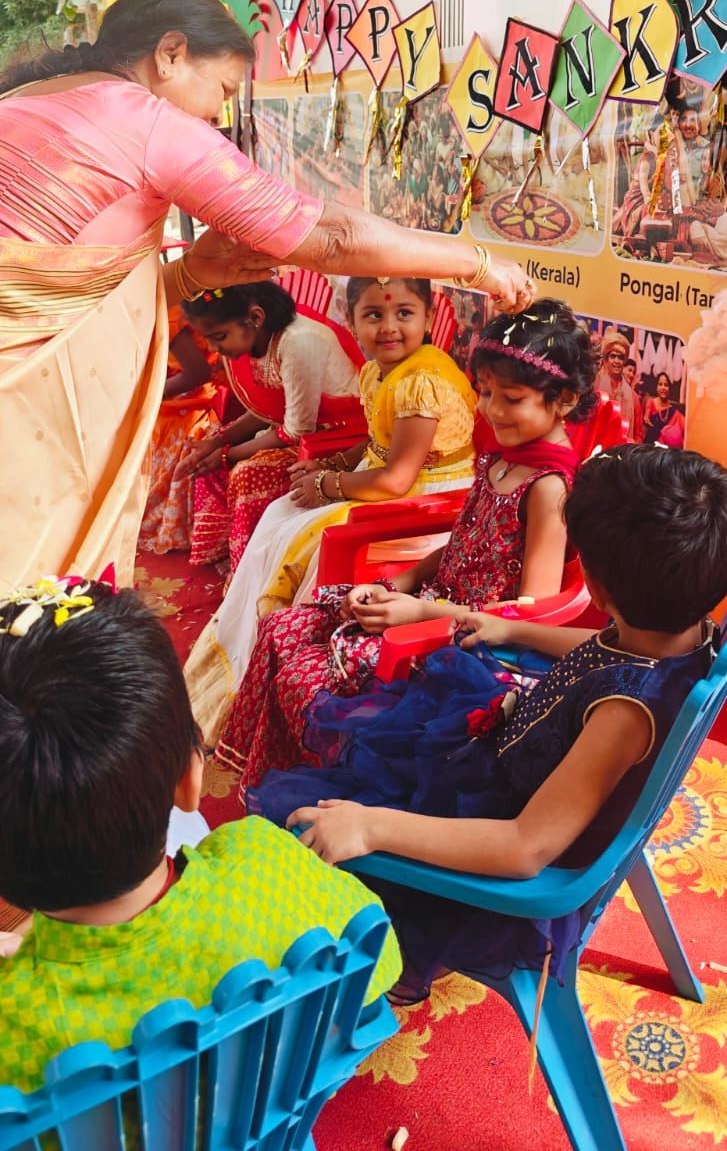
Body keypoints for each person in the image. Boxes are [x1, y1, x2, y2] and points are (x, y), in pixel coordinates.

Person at [0, 0, 534, 593]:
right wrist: (479, 264)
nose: (217, 117)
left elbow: (60, 292)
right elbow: (332, 238)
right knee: (33, 598)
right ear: (170, 53)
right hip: (24, 414)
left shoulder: (29, 99)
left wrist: (190, 274)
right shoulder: (145, 120)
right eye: (222, 90)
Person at [250, 445, 726, 1002]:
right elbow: (610, 645)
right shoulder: (686, 635)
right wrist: (514, 629)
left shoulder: (624, 713)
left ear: (598, 591)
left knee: (308, 830)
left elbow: (526, 847)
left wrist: (372, 827)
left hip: (499, 826)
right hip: (511, 761)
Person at [0, 575, 401, 1092]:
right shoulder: (264, 857)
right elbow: (380, 958)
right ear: (192, 778)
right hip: (263, 1112)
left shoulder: (14, 1016)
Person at [215, 298, 597, 797]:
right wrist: (397, 584)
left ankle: (326, 793)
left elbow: (528, 613)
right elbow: (463, 544)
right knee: (282, 625)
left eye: (512, 397)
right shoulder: (502, 457)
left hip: (463, 647)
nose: (492, 410)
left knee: (305, 672)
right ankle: (258, 773)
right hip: (428, 604)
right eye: (485, 393)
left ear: (564, 399)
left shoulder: (548, 487)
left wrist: (420, 613)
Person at [185, 277, 478, 744]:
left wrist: (328, 485)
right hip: (387, 483)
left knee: (307, 540)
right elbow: (378, 441)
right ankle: (247, 654)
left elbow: (396, 479)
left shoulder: (422, 381)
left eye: (404, 313)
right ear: (352, 322)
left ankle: (287, 668)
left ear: (428, 318)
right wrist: (334, 464)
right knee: (278, 514)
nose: (389, 327)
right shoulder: (379, 370)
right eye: (374, 315)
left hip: (423, 503)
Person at [180, 281, 362, 570]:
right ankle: (226, 548)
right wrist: (218, 442)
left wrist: (227, 454)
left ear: (255, 317)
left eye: (219, 337)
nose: (213, 349)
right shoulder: (258, 338)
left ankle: (256, 566)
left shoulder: (300, 342)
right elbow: (269, 409)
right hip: (299, 430)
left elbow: (297, 430)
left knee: (247, 473)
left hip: (338, 439)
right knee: (208, 444)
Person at [137, 303, 223, 555]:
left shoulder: (171, 315)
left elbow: (198, 373)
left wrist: (149, 393)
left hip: (190, 403)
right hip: (173, 396)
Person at [595, 328, 636, 438]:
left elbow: (638, 433)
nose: (617, 361)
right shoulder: (596, 387)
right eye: (613, 356)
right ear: (606, 360)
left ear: (624, 361)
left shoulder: (633, 397)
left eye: (620, 357)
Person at [642, 372, 685, 448]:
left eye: (666, 385)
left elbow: (685, 425)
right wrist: (646, 419)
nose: (663, 388)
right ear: (656, 387)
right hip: (651, 446)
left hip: (665, 449)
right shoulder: (651, 402)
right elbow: (646, 417)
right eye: (660, 384)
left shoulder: (674, 412)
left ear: (669, 388)